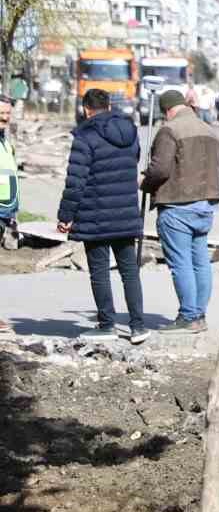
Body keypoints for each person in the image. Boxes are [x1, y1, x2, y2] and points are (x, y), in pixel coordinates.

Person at [57, 88, 147, 343]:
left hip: (95, 213)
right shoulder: (130, 132)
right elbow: (135, 159)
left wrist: (65, 215)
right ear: (109, 106)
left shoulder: (85, 135)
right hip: (126, 212)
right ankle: (138, 326)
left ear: (86, 109)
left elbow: (76, 181)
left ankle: (107, 324)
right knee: (129, 270)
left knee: (99, 270)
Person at [142, 89, 219, 332]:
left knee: (181, 264)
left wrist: (144, 183)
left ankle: (188, 315)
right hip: (206, 204)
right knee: (201, 262)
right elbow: (217, 166)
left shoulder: (170, 130)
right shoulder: (210, 131)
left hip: (177, 205)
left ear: (167, 110)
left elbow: (160, 170)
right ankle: (199, 316)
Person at [0, 94, 19, 250]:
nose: (5, 118)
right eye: (1, 113)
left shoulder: (5, 141)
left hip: (6, 210)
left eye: (8, 113)